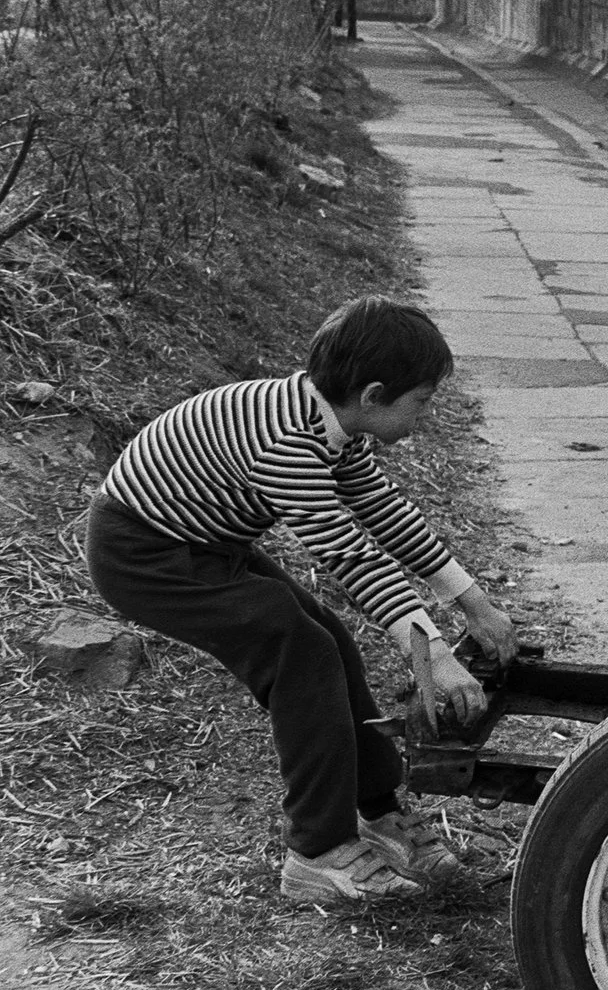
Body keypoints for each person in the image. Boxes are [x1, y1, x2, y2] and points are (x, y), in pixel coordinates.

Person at [83, 296, 519, 904]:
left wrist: (471, 600)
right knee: (302, 652)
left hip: (208, 542)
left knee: (333, 644)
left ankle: (377, 810)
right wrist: (435, 653)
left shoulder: (331, 423)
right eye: (421, 400)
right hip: (145, 555)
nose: (426, 414)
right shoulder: (285, 441)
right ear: (372, 396)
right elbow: (351, 556)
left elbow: (382, 512)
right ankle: (317, 851)